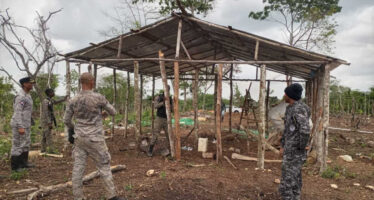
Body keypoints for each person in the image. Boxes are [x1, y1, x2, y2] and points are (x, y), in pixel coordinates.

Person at [64, 73, 125, 200]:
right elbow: (113, 112)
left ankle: (78, 197)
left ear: (81, 83)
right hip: (95, 138)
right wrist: (100, 113)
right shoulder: (98, 98)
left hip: (79, 138)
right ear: (91, 82)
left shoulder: (73, 100)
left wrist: (74, 127)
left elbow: (66, 120)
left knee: (78, 168)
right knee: (104, 165)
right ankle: (111, 196)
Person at [279, 83, 311, 200]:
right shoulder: (291, 108)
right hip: (290, 150)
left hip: (294, 152)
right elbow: (287, 130)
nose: (284, 95)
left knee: (288, 181)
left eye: (286, 93)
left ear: (290, 95)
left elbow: (305, 130)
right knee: (295, 178)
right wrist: (283, 145)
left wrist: (301, 148)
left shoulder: (299, 109)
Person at [10, 77, 35, 172]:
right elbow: (18, 112)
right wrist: (20, 126)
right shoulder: (20, 96)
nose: (32, 85)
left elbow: (27, 111)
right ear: (24, 84)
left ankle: (24, 163)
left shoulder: (28, 95)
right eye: (30, 83)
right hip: (18, 124)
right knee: (17, 144)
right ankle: (15, 167)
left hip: (26, 124)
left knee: (26, 143)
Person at [147, 86, 173, 157]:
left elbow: (172, 109)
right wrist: (163, 103)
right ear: (164, 89)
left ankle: (171, 150)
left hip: (167, 119)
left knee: (169, 135)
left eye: (168, 90)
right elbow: (155, 106)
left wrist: (169, 105)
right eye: (166, 89)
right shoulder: (159, 97)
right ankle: (150, 150)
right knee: (155, 134)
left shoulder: (170, 98)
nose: (167, 90)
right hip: (159, 119)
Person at [40, 88, 67, 153]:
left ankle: (43, 150)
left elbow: (56, 102)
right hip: (46, 121)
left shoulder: (50, 100)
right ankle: (51, 150)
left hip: (48, 120)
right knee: (48, 135)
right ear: (49, 93)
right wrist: (49, 122)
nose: (54, 93)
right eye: (52, 92)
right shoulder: (45, 101)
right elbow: (45, 113)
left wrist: (63, 99)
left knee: (44, 136)